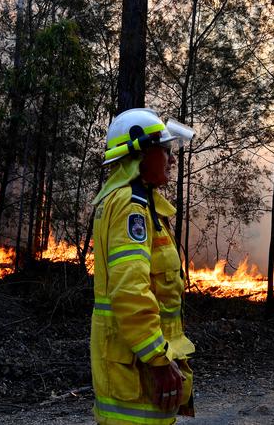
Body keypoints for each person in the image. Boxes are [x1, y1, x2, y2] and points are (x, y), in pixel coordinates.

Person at [90, 108, 196, 424]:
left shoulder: (138, 202)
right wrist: (158, 360)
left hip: (135, 364)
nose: (172, 159)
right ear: (142, 153)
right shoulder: (130, 206)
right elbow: (130, 291)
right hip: (137, 370)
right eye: (165, 150)